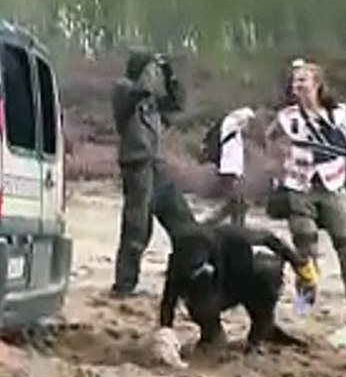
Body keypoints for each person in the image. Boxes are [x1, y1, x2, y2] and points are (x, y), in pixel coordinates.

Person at [265, 62, 346, 307]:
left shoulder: (337, 114)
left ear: (317, 84)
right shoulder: (288, 117)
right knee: (305, 246)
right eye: (295, 81)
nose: (298, 85)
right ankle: (305, 301)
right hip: (299, 187)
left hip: (332, 185)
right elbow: (270, 139)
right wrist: (280, 161)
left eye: (303, 80)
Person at [110, 48, 186, 298]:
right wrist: (151, 68)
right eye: (149, 69)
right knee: (137, 225)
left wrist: (169, 72)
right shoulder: (124, 89)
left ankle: (189, 273)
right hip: (136, 163)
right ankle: (124, 285)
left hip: (156, 164)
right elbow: (139, 91)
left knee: (181, 220)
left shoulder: (152, 103)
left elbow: (177, 104)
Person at [202, 106, 256, 227]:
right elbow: (248, 113)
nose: (247, 125)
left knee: (236, 202)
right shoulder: (230, 124)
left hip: (232, 170)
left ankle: (233, 226)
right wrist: (247, 115)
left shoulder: (234, 130)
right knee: (235, 202)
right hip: (229, 170)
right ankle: (210, 224)